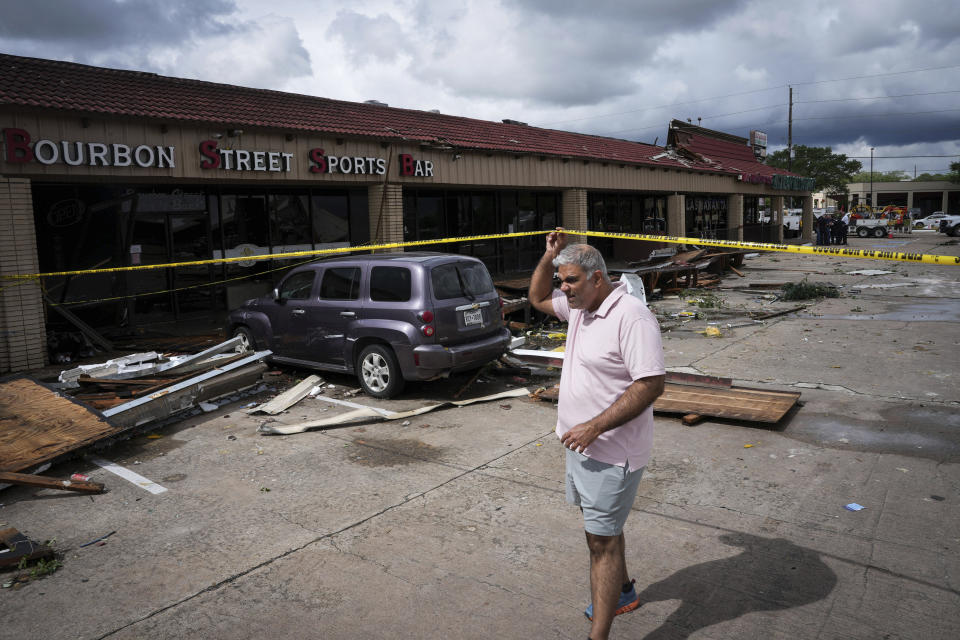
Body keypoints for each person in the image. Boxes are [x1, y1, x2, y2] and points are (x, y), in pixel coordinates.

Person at [529, 230, 665, 640]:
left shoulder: (631, 317)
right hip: (581, 446)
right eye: (561, 280)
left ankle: (599, 635)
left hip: (611, 451)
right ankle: (623, 591)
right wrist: (549, 256)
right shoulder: (580, 309)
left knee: (599, 543)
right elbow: (536, 298)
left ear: (597, 279)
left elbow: (651, 384)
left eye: (569, 280)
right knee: (603, 526)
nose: (562, 288)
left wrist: (595, 426)